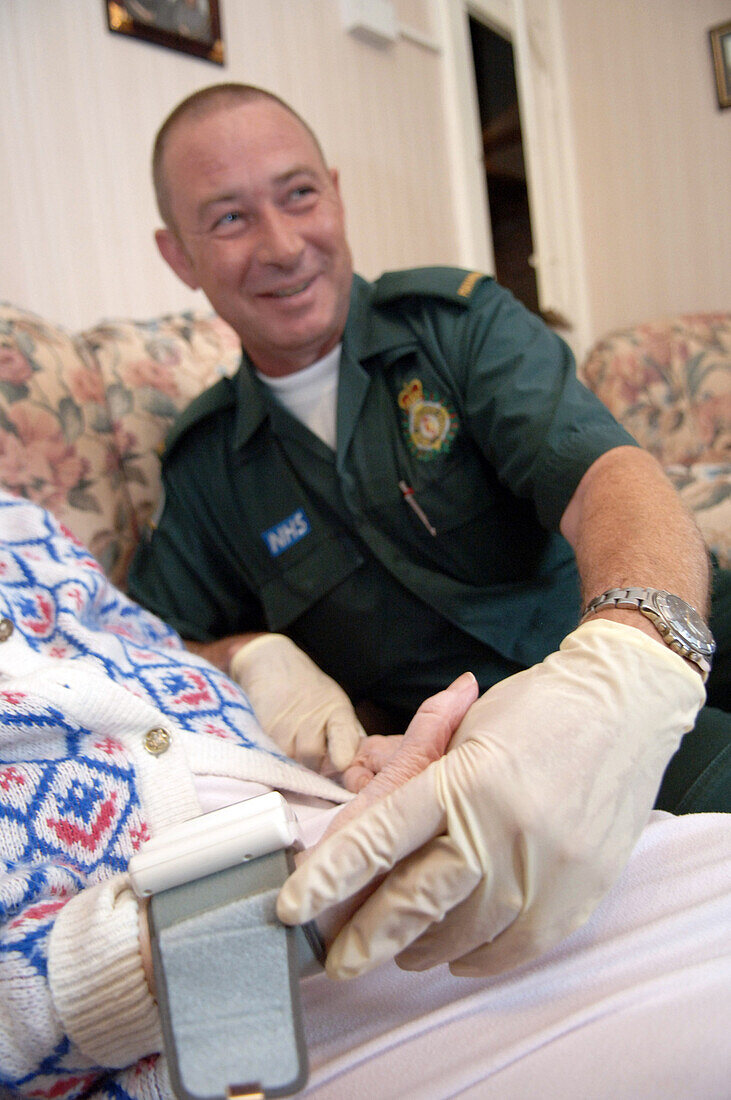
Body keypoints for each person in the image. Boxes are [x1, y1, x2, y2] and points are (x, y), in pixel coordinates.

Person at [126, 82, 730, 980]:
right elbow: (143, 643)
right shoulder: (208, 467)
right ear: (178, 257)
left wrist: (631, 658)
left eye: (298, 194)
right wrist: (254, 653)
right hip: (502, 757)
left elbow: (608, 476)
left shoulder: (458, 326)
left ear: (334, 190)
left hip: (651, 642)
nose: (284, 246)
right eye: (229, 218)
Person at [1, 489, 730, 1100]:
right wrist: (285, 907)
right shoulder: (207, 470)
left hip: (368, 808)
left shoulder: (24, 526)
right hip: (223, 1021)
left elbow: (138, 640)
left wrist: (252, 657)